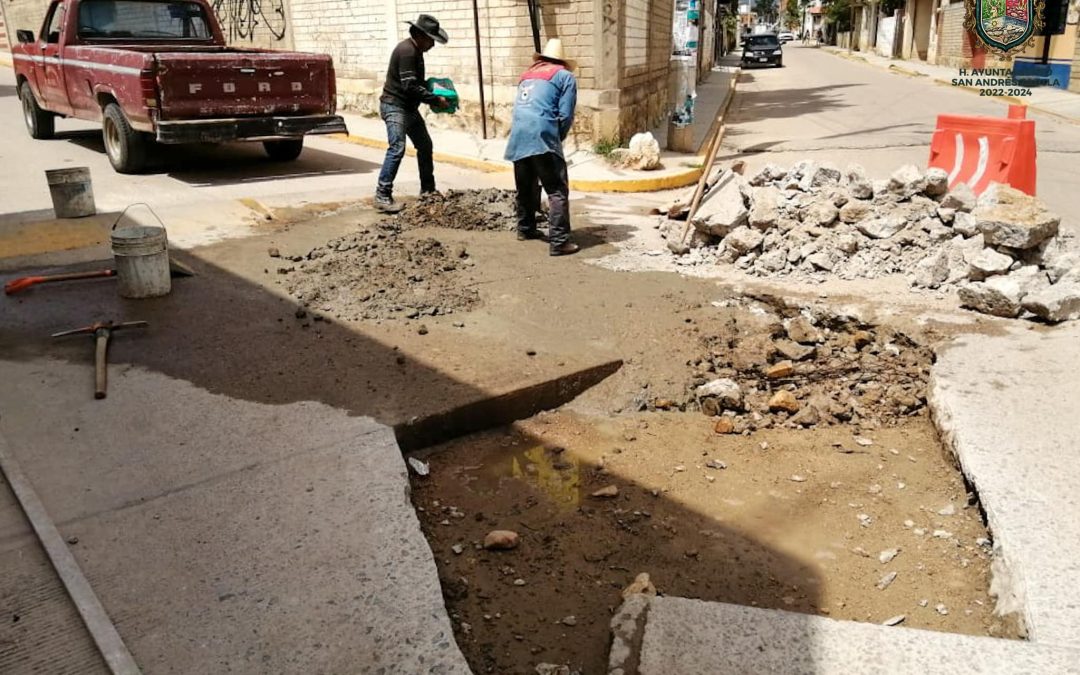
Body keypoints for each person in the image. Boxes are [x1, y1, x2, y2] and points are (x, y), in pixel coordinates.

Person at [504, 39, 579, 257]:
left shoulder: (526, 75)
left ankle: (525, 229)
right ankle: (559, 241)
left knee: (525, 186)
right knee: (556, 190)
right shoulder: (565, 77)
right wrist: (557, 140)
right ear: (561, 61)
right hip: (542, 135)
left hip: (518, 134)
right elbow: (565, 115)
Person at [374, 14, 449, 213]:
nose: (433, 44)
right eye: (431, 39)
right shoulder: (407, 51)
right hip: (395, 106)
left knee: (425, 145)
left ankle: (428, 191)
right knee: (397, 148)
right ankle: (382, 195)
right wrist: (435, 99)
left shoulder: (415, 51)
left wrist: (435, 88)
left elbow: (415, 83)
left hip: (408, 108)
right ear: (420, 35)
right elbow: (409, 86)